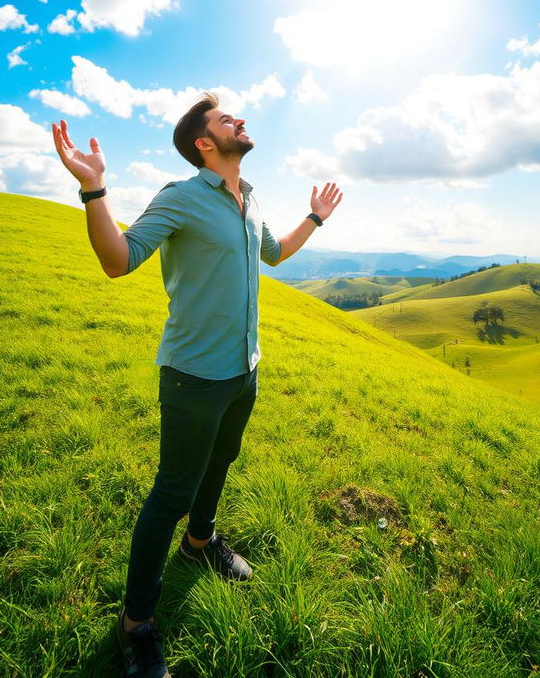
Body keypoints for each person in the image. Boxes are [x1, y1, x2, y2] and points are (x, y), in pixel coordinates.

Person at [52, 92, 343, 678]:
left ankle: (200, 543)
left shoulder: (249, 197)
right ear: (204, 144)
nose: (239, 119)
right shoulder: (182, 196)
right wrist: (94, 190)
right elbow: (119, 258)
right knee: (171, 493)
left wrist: (313, 219)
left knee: (221, 462)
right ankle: (136, 623)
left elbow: (275, 255)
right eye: (224, 119)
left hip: (243, 369)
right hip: (192, 376)